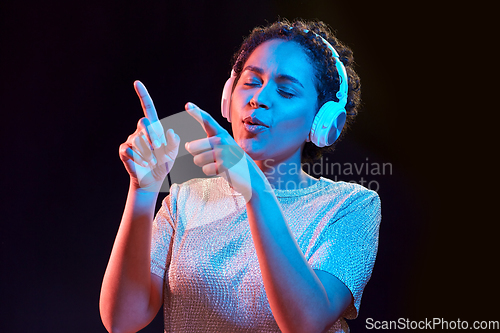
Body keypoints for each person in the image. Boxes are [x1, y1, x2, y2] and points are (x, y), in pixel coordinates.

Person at [99, 19, 381, 333]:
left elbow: (305, 323)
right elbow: (122, 320)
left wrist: (255, 190)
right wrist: (143, 189)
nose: (259, 98)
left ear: (323, 121)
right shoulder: (185, 198)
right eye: (250, 82)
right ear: (228, 96)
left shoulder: (351, 206)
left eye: (286, 92)